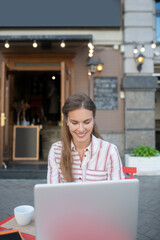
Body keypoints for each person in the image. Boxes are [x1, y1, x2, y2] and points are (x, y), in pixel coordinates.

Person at [47, 92, 125, 183]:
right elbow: (53, 193)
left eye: (87, 122)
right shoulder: (56, 151)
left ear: (93, 120)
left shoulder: (110, 151)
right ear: (67, 121)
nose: (81, 129)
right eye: (74, 123)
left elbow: (117, 192)